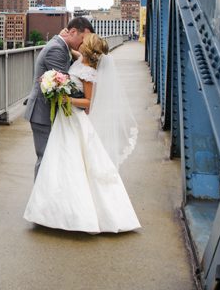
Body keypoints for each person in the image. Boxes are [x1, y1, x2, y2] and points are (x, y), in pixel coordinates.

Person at [23, 34, 140, 233]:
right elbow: (69, 48)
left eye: (85, 41)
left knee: (73, 163)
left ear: (88, 48)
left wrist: (67, 100)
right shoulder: (79, 60)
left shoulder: (88, 72)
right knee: (58, 161)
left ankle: (78, 215)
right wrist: (63, 38)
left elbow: (88, 103)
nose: (81, 41)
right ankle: (54, 210)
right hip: (64, 121)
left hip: (75, 120)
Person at [23, 17, 94, 179]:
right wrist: (86, 101)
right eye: (83, 38)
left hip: (49, 113)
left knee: (53, 158)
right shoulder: (57, 49)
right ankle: (39, 194)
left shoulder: (63, 46)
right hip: (43, 113)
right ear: (73, 32)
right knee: (45, 158)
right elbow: (67, 86)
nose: (83, 43)